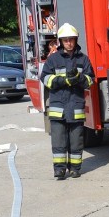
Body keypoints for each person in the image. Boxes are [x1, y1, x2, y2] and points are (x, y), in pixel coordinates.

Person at [40, 23, 93, 180]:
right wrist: (65, 81)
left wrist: (79, 78)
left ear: (76, 40)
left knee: (76, 141)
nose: (69, 43)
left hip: (76, 108)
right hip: (58, 108)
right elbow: (46, 79)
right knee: (59, 141)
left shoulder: (83, 60)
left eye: (71, 40)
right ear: (60, 42)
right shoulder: (53, 60)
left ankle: (75, 168)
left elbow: (91, 81)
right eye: (65, 40)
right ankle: (59, 170)